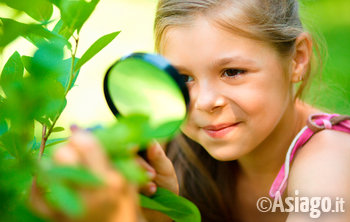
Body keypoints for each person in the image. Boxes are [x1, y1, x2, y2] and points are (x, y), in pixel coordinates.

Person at [31, 0, 350, 221]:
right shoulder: (179, 157)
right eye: (183, 78)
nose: (204, 101)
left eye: (233, 72)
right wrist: (161, 216)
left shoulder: (334, 160)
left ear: (297, 59)